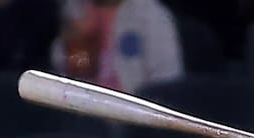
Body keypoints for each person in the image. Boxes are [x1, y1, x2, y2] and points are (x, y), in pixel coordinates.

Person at [52, 0, 183, 94]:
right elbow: (65, 66)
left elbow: (168, 83)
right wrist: (77, 42)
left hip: (131, 119)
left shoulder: (152, 15)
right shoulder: (75, 9)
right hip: (80, 111)